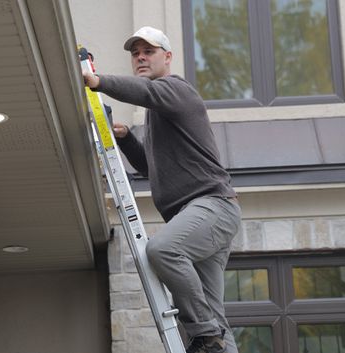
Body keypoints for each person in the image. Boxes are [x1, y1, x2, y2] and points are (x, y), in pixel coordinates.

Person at [83, 26, 241, 353]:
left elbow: (145, 91)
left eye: (149, 51)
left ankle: (206, 333)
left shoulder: (176, 90)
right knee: (214, 316)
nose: (140, 57)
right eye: (135, 53)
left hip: (212, 207)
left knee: (163, 250)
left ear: (167, 58)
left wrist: (98, 81)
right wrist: (126, 138)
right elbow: (150, 169)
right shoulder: (158, 112)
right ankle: (211, 335)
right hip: (198, 214)